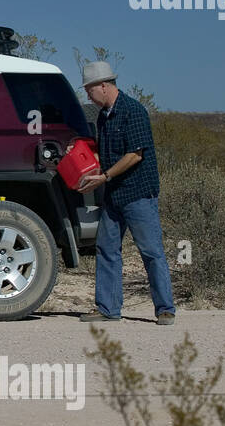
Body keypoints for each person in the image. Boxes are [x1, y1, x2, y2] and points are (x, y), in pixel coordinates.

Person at [74, 62, 176, 325]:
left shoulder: (134, 111)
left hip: (139, 194)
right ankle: (108, 308)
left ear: (103, 86)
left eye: (89, 90)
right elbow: (106, 154)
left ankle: (165, 308)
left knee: (151, 251)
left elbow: (135, 155)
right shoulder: (103, 117)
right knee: (106, 249)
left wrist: (105, 177)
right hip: (114, 195)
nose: (88, 96)